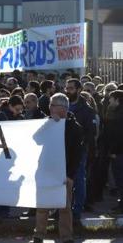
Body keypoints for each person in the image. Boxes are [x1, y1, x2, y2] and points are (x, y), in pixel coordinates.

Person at [32, 93, 83, 243]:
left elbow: (77, 155)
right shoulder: (47, 123)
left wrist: (70, 176)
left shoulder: (74, 127)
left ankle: (66, 237)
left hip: (64, 174)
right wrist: (48, 124)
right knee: (43, 205)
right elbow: (36, 140)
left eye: (53, 105)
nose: (50, 108)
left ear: (63, 108)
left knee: (65, 207)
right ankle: (39, 234)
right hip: (45, 170)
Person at [65, 78, 96, 222]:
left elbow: (91, 133)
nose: (68, 90)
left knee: (78, 180)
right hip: (62, 150)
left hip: (78, 151)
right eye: (67, 88)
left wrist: (85, 148)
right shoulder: (63, 105)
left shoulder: (87, 110)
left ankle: (76, 211)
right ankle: (63, 209)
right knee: (63, 182)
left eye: (71, 88)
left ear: (78, 90)